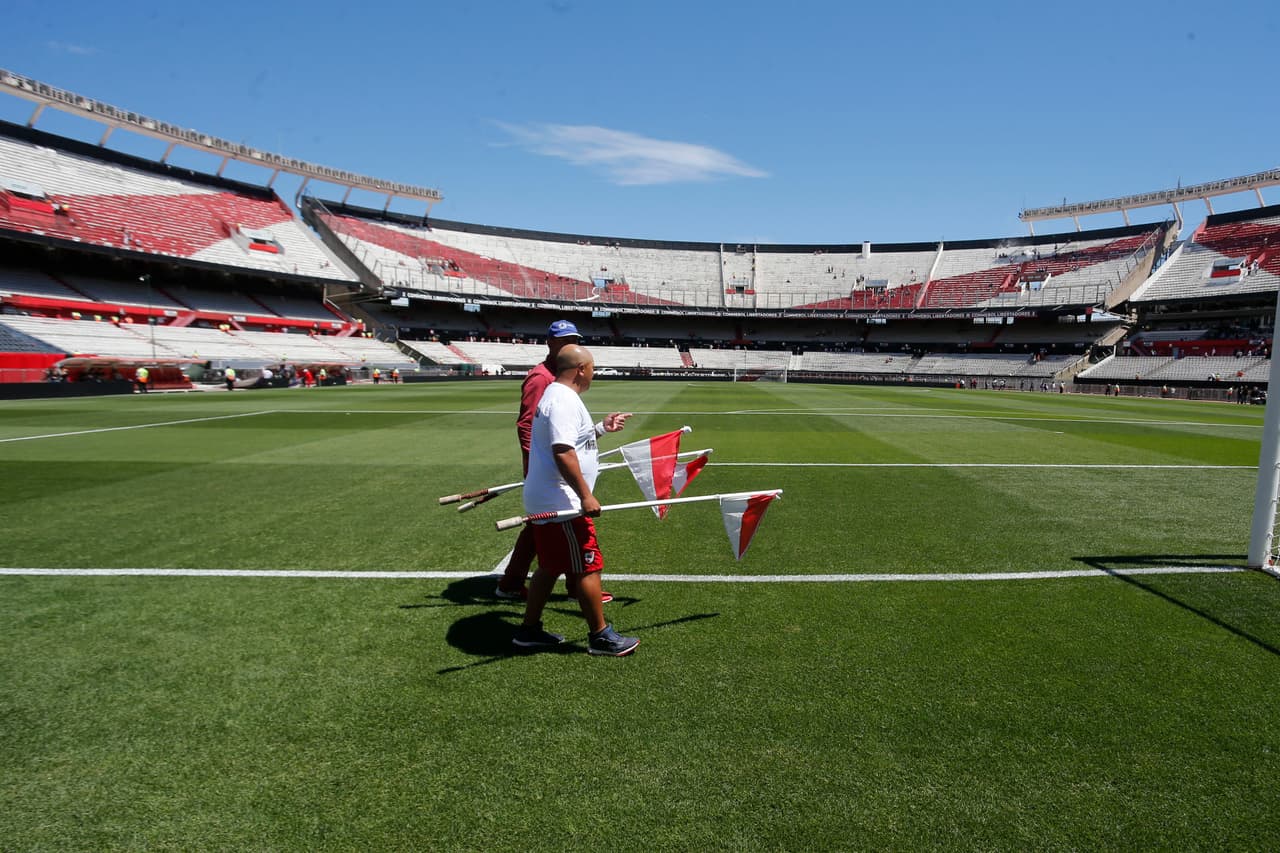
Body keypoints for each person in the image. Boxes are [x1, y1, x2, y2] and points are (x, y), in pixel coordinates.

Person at [513, 344, 639, 657]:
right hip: (563, 501)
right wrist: (585, 495)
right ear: (581, 369)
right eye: (593, 367)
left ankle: (528, 631)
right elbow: (562, 451)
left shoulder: (557, 395)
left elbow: (571, 441)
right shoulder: (564, 399)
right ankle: (601, 636)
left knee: (549, 567)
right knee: (587, 566)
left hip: (548, 498)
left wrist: (600, 429)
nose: (594, 373)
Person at [498, 319, 630, 600]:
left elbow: (567, 435)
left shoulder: (560, 378)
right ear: (551, 343)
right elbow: (530, 428)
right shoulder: (542, 379)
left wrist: (599, 429)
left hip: (555, 472)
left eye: (574, 339)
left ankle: (563, 585)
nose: (571, 344)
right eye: (564, 339)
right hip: (551, 474)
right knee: (549, 527)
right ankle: (574, 586)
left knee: (543, 530)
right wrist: (535, 466)